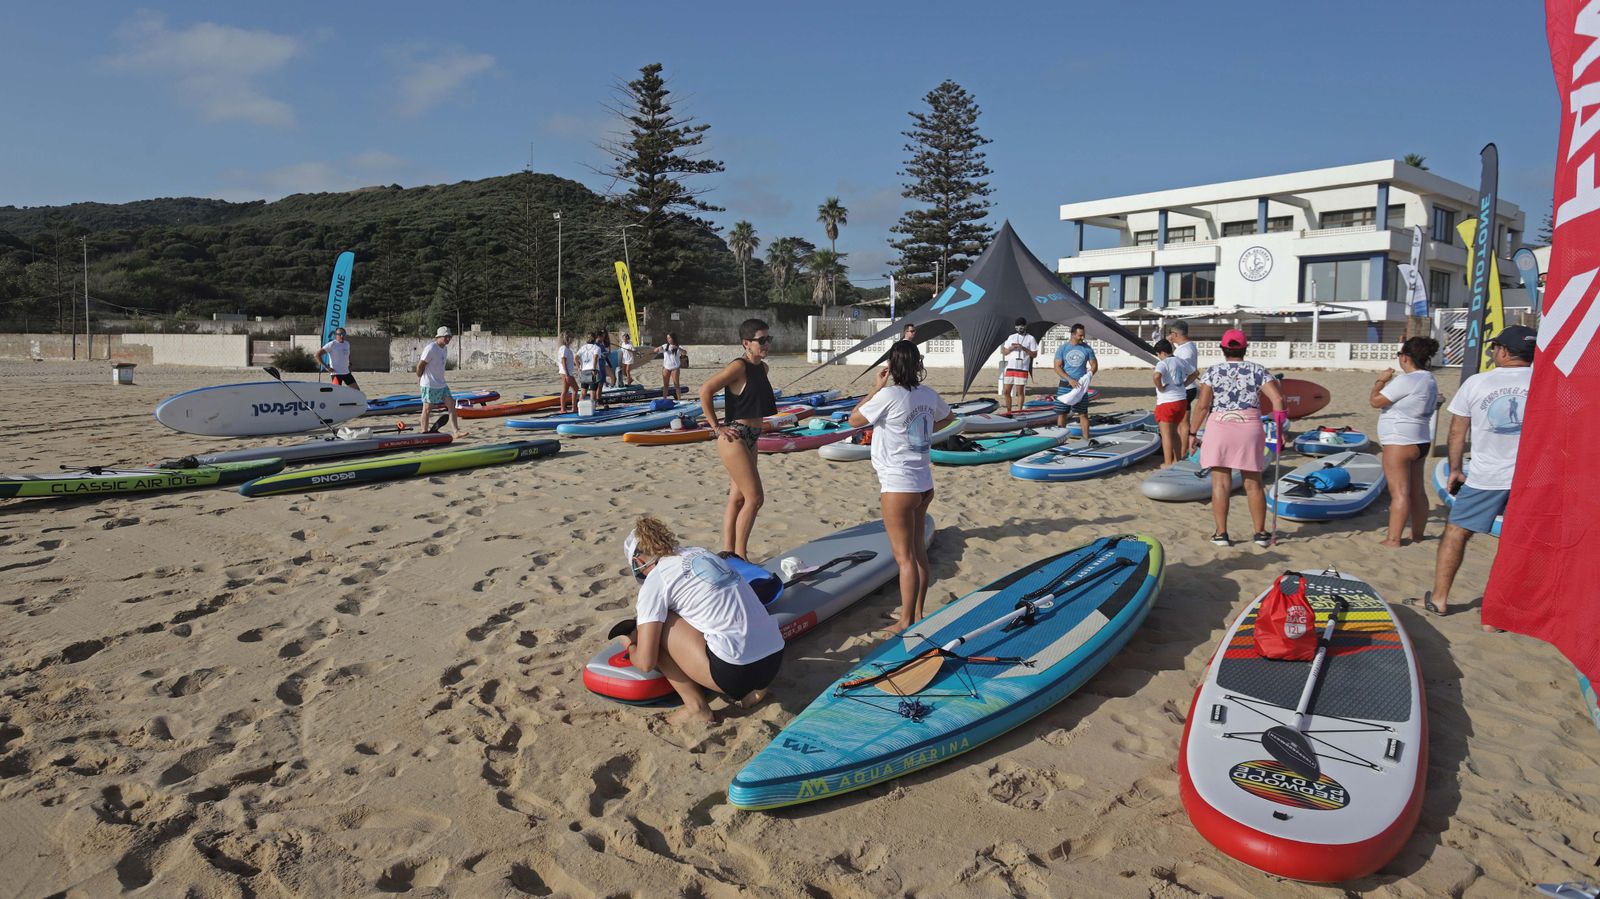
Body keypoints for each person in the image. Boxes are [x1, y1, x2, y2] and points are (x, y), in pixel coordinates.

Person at [616, 516, 785, 727]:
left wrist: (631, 644)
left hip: (735, 673)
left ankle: (696, 708)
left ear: (639, 561)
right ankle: (758, 690)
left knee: (654, 626)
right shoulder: (702, 553)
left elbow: (646, 662)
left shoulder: (657, 578)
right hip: (774, 661)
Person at [1423, 325, 1536, 622]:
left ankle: (1439, 599)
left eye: (1494, 348)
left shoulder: (1477, 383)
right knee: (1516, 543)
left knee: (1456, 532)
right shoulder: (1547, 383)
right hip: (1533, 481)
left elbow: (1458, 431)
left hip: (1487, 476)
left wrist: (1456, 469)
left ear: (1503, 351)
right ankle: (1496, 616)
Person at [849, 341, 953, 632]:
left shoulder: (889, 395)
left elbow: (854, 419)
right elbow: (949, 417)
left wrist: (875, 388)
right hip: (923, 484)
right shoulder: (928, 395)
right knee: (918, 552)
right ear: (918, 365)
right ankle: (917, 614)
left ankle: (906, 621)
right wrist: (922, 429)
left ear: (892, 367)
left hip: (898, 485)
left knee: (904, 558)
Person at [1191, 330, 1285, 548]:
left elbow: (1203, 406)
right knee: (1253, 482)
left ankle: (1221, 533)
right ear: (1245, 348)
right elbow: (1278, 398)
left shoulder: (1212, 372)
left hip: (1220, 426)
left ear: (1223, 349)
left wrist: (1192, 433)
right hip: (1249, 425)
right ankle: (1260, 533)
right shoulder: (1257, 370)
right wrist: (1279, 429)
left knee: (1220, 482)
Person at [699, 319, 777, 561]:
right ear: (746, 343)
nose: (766, 344)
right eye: (761, 340)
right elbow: (705, 390)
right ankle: (741, 557)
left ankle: (729, 552)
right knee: (755, 498)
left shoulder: (762, 369)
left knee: (738, 496)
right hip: (735, 436)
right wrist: (716, 427)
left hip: (752, 437)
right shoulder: (739, 367)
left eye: (768, 339)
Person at [1371, 336, 1441, 547]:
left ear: (1405, 357)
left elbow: (1375, 401)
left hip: (1400, 440)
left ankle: (1393, 539)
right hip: (1420, 440)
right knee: (1417, 490)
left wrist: (1381, 380)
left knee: (1399, 492)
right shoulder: (1429, 378)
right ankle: (1417, 535)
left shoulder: (1407, 379)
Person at [1053, 322, 1099, 432]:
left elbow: (1094, 365)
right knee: (1062, 414)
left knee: (1083, 414)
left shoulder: (1087, 349)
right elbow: (1057, 367)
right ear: (1073, 334)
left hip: (1080, 387)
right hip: (1065, 385)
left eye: (1083, 335)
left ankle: (1086, 438)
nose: (1082, 337)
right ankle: (1060, 438)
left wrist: (1088, 376)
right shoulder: (1063, 348)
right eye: (1080, 335)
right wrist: (1069, 379)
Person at [417, 326, 462, 436]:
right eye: (446, 337)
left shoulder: (444, 348)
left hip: (441, 384)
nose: (448, 339)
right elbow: (420, 365)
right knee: (427, 409)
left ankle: (456, 431)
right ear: (439, 337)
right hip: (429, 383)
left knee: (451, 404)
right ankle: (424, 432)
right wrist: (419, 378)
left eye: (449, 337)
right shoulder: (431, 348)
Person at [1151, 339, 1189, 466]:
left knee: (1166, 435)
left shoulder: (1163, 363)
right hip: (1181, 400)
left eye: (1158, 354)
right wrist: (1184, 384)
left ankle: (1167, 463)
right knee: (1174, 433)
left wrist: (1160, 388)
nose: (1158, 357)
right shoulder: (1180, 361)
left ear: (1162, 352)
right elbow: (1195, 373)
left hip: (1167, 402)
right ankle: (1178, 460)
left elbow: (1156, 376)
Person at [1167, 320, 1200, 441]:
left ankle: (1182, 448)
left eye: (1170, 333)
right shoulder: (1188, 346)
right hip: (1189, 387)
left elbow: (1180, 368)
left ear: (1175, 334)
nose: (1170, 336)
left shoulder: (1184, 350)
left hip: (1184, 388)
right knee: (1184, 421)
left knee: (1181, 423)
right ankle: (1184, 446)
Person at [999, 317, 1039, 413]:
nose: (1019, 328)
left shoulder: (1030, 338)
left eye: (1021, 326)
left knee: (1020, 392)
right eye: (1017, 326)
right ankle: (1009, 411)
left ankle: (1020, 411)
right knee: (1006, 391)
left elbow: (1034, 354)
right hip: (1010, 367)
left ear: (1025, 326)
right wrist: (1011, 348)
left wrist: (1023, 348)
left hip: (1022, 368)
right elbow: (1004, 352)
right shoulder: (1011, 337)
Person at [656, 333, 688, 399]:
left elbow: (684, 353)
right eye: (667, 338)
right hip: (666, 367)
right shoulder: (665, 346)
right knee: (665, 385)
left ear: (673, 338)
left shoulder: (679, 346)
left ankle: (679, 399)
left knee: (676, 385)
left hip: (675, 368)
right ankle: (664, 399)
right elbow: (656, 350)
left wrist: (677, 348)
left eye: (669, 338)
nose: (668, 339)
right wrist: (657, 349)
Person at [575, 333, 604, 406]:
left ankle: (580, 407)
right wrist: (594, 369)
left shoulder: (582, 348)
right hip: (592, 370)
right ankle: (592, 407)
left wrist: (578, 368)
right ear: (594, 339)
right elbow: (595, 357)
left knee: (583, 391)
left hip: (584, 370)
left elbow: (575, 358)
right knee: (593, 391)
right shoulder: (596, 348)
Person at [555, 333, 577, 414]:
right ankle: (572, 408)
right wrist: (567, 374)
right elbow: (563, 360)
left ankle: (564, 409)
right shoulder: (564, 348)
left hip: (566, 372)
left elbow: (568, 361)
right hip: (566, 373)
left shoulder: (566, 348)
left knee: (566, 390)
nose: (573, 340)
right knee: (575, 389)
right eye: (571, 339)